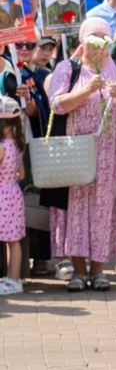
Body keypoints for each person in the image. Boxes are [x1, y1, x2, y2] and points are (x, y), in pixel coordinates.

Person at [48, 18, 116, 292]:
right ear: (83, 41)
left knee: (105, 208)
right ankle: (78, 271)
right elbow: (57, 104)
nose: (99, 46)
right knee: (78, 209)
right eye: (93, 39)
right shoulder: (69, 68)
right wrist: (87, 89)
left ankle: (100, 270)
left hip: (111, 154)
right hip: (77, 150)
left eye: (103, 39)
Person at [0, 97, 26, 295]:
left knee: (10, 240)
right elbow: (22, 174)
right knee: (13, 241)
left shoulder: (1, 147)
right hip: (13, 193)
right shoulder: (16, 145)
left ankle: (12, 280)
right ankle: (13, 279)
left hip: (2, 196)